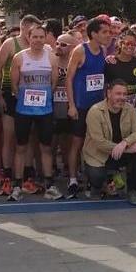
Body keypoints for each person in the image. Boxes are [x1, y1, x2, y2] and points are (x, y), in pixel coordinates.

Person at [8, 24, 58, 200]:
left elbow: (53, 83)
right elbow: (13, 84)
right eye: (34, 37)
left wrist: (43, 96)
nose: (37, 40)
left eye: (41, 37)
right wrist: (23, 96)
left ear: (45, 38)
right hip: (24, 109)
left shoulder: (51, 58)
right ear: (28, 38)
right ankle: (17, 184)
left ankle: (49, 184)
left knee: (45, 147)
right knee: (21, 147)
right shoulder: (19, 58)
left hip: (45, 110)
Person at [65, 17, 112, 198]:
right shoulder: (80, 51)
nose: (108, 35)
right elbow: (68, 78)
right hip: (81, 105)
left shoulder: (103, 50)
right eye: (104, 32)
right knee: (76, 143)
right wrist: (72, 105)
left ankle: (93, 178)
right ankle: (72, 179)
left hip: (97, 107)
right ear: (93, 34)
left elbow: (102, 78)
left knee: (96, 142)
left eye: (109, 32)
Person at [0, 14, 41, 198]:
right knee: (9, 137)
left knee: (28, 138)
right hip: (10, 95)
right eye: (32, 31)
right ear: (24, 27)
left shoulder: (38, 46)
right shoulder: (10, 44)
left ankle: (26, 177)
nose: (34, 35)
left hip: (31, 97)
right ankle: (7, 177)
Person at [83, 80, 136, 205]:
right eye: (118, 94)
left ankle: (133, 190)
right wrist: (128, 148)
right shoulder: (95, 111)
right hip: (99, 154)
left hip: (121, 152)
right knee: (97, 176)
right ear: (108, 93)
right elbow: (99, 143)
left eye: (124, 94)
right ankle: (97, 187)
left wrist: (124, 143)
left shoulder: (130, 109)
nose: (122, 97)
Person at [50, 32, 77, 197]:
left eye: (63, 44)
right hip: (52, 109)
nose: (58, 46)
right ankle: (49, 171)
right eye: (57, 43)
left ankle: (70, 170)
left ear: (73, 48)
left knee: (69, 142)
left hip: (69, 109)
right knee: (51, 143)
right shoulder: (50, 61)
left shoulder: (76, 63)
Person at [105, 29, 136, 106]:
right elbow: (104, 88)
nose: (130, 46)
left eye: (133, 44)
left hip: (132, 108)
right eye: (127, 43)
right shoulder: (110, 63)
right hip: (113, 107)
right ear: (120, 44)